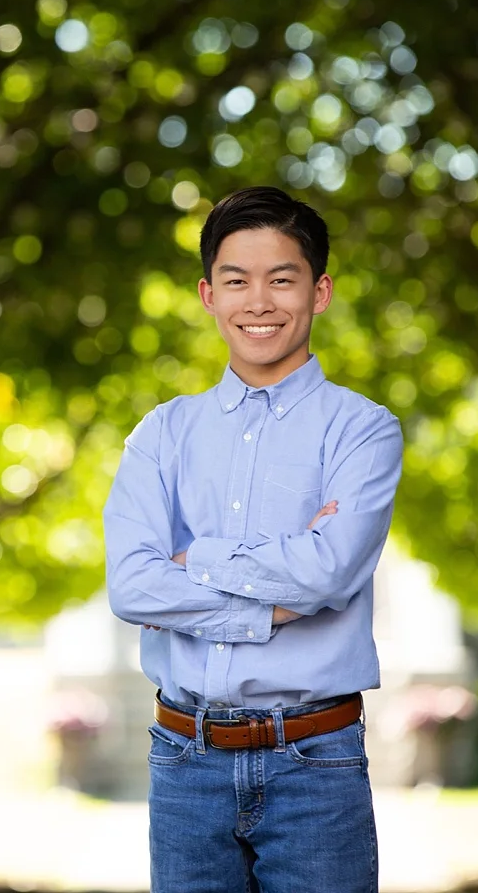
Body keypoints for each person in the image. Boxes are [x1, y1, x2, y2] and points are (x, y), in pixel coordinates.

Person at [102, 185, 404, 892]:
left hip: (316, 761)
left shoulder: (362, 430)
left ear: (319, 291)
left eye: (282, 278)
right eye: (237, 280)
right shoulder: (161, 436)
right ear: (209, 294)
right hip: (183, 760)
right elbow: (133, 585)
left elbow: (328, 574)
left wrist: (196, 558)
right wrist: (268, 606)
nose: (258, 301)